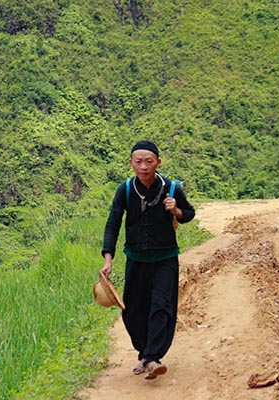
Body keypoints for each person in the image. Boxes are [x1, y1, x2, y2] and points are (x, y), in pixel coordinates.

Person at [100, 140, 195, 380]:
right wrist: (108, 258)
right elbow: (113, 223)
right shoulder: (126, 189)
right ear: (131, 163)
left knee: (161, 306)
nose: (143, 166)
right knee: (133, 311)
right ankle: (144, 353)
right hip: (136, 258)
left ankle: (152, 358)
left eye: (149, 161)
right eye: (138, 161)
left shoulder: (172, 188)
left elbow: (189, 214)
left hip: (165, 258)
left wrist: (176, 211)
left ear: (158, 163)